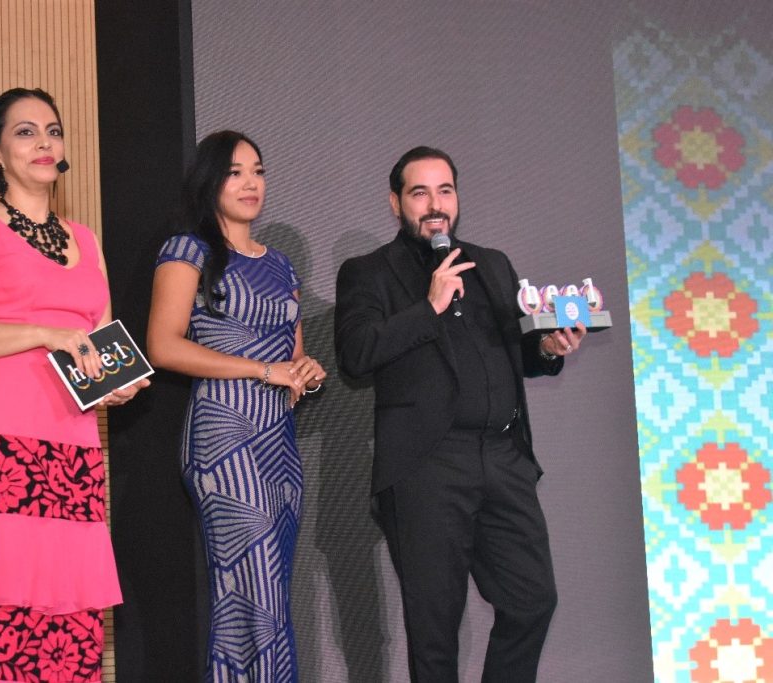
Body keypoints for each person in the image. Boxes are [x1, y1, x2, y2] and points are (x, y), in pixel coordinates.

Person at [334, 146, 587, 682]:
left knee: (531, 601)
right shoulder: (368, 273)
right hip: (427, 466)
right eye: (419, 192)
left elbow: (515, 352)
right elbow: (356, 357)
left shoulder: (492, 264)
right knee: (434, 632)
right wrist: (428, 306)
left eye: (445, 191)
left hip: (502, 456)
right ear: (395, 202)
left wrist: (548, 349)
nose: (434, 205)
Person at [0, 87, 148, 682]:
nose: (44, 142)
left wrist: (116, 384)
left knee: (66, 615)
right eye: (25, 132)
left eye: (52, 130)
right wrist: (42, 333)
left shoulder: (87, 240)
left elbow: (98, 342)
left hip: (71, 440)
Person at [147, 130, 325, 682]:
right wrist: (261, 370)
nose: (250, 183)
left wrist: (305, 373)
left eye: (258, 171)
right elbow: (163, 344)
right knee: (253, 596)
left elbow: (291, 358)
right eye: (234, 172)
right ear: (210, 180)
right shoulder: (188, 249)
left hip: (279, 441)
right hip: (225, 439)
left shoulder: (282, 266)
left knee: (269, 593)